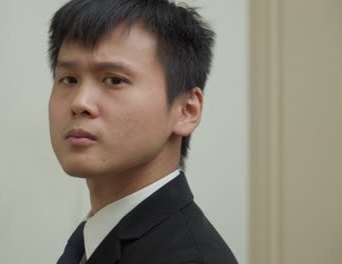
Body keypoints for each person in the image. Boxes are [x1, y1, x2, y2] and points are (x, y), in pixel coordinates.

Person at [47, 0, 238, 263]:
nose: (80, 102)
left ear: (186, 110)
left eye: (114, 80)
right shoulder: (98, 234)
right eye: (69, 79)